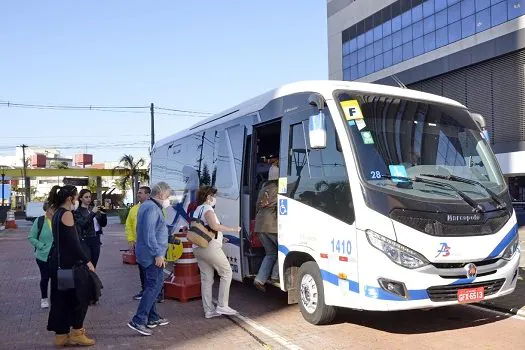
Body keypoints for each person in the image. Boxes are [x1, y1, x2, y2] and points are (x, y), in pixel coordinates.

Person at [46, 185, 96, 347]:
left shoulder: (55, 213)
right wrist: (87, 261)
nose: (75, 200)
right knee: (80, 297)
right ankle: (77, 332)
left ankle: (61, 336)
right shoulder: (67, 214)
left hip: (58, 263)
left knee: (61, 299)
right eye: (75, 197)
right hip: (70, 264)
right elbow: (74, 243)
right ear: (70, 198)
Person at [127, 182, 172, 336]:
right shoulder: (152, 208)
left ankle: (152, 317)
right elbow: (149, 234)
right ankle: (139, 320)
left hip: (147, 254)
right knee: (154, 287)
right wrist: (158, 254)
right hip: (152, 255)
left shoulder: (147, 206)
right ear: (160, 194)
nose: (168, 199)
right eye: (167, 196)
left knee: (152, 286)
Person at [192, 185, 241, 319]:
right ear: (208, 197)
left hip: (197, 248)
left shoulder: (197, 210)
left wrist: (220, 238)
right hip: (209, 247)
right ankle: (222, 305)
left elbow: (206, 229)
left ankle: (209, 310)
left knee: (206, 279)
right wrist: (233, 229)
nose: (215, 198)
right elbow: (214, 226)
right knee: (226, 272)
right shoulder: (208, 209)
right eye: (214, 196)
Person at [253, 164, 279, 292]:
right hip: (272, 226)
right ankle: (275, 276)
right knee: (283, 250)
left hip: (259, 225)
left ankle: (260, 279)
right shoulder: (279, 187)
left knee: (271, 253)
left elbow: (257, 206)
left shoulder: (264, 188)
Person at [125, 186, 152, 300]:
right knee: (142, 269)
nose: (138, 195)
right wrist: (131, 240)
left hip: (151, 245)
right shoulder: (134, 209)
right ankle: (144, 291)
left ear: (148, 195)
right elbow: (129, 225)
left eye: (141, 193)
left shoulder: (155, 208)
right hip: (139, 245)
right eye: (138, 193)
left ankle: (157, 293)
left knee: (152, 270)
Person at [27, 202, 54, 308]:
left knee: (56, 278)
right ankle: (44, 298)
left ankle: (56, 299)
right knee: (45, 277)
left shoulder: (58, 220)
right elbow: (31, 237)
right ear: (46, 209)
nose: (53, 210)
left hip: (56, 254)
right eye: (51, 208)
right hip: (43, 255)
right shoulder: (40, 221)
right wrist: (41, 245)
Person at [74, 189, 107, 268]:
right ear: (81, 199)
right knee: (87, 265)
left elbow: (103, 224)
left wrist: (103, 214)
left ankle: (91, 280)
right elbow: (84, 224)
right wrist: (92, 213)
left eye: (90, 197)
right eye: (86, 197)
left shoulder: (93, 208)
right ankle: (86, 280)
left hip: (96, 239)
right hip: (86, 240)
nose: (89, 199)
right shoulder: (78, 212)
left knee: (94, 265)